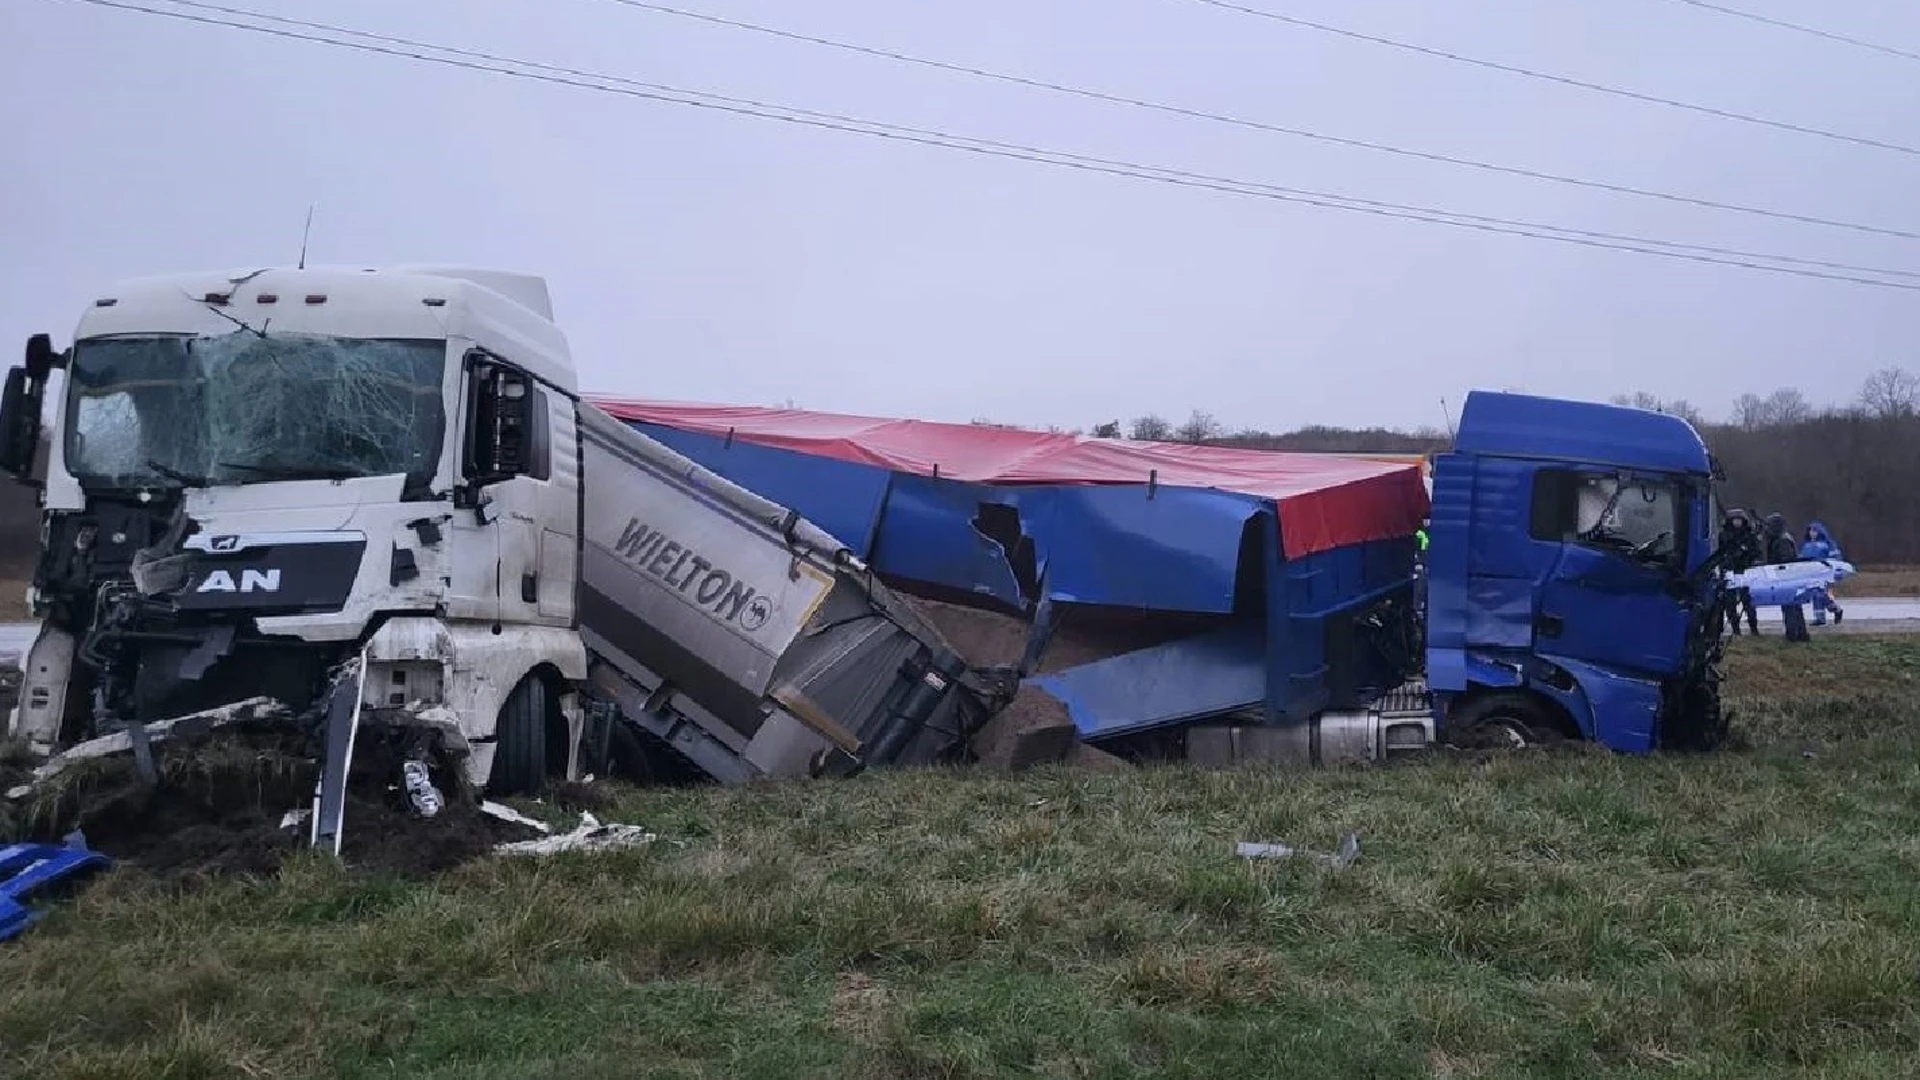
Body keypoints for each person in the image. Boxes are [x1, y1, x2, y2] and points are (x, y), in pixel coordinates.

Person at [1763, 513, 1810, 643]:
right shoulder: (1782, 539)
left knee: (1790, 607)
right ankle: (1800, 634)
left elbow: (1785, 562)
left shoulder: (1782, 540)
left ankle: (1793, 635)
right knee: (1794, 607)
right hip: (1790, 578)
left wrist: (1775, 571)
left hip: (1787, 579)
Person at [1716, 508, 1761, 637]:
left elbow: (1756, 552)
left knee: (1748, 600)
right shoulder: (1724, 535)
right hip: (1729, 571)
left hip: (1745, 571)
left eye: (1739, 520)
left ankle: (1754, 627)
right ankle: (1736, 629)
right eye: (1735, 520)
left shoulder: (1749, 535)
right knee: (1730, 602)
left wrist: (1747, 554)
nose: (1737, 522)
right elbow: (1720, 552)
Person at [1799, 520, 1846, 627]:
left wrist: (1833, 570)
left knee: (1820, 594)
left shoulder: (1828, 544)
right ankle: (1834, 610)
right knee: (1816, 595)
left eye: (1814, 531)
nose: (1812, 533)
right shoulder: (1806, 545)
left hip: (1825, 574)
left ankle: (1821, 618)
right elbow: (1801, 559)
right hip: (1811, 574)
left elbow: (1835, 558)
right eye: (1810, 531)